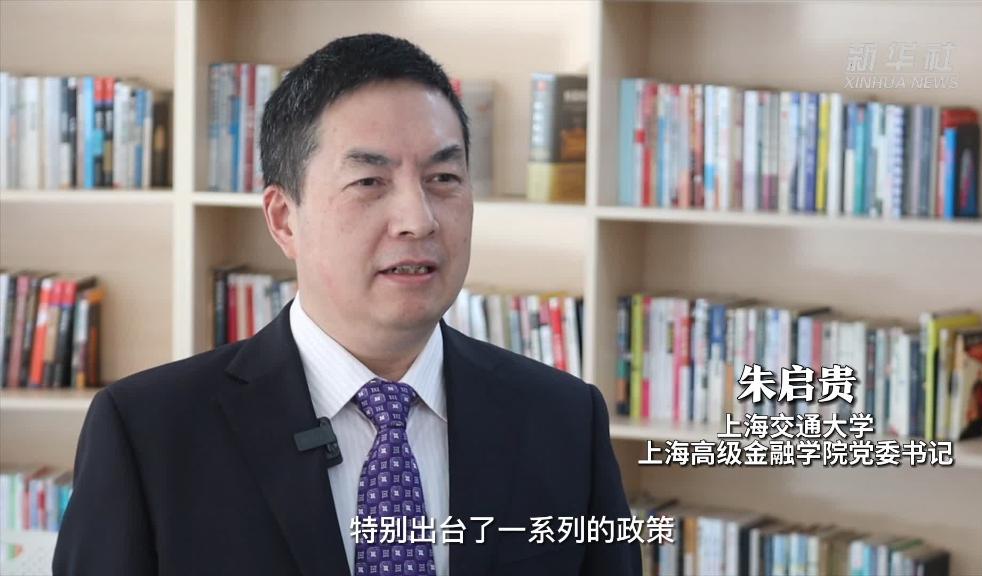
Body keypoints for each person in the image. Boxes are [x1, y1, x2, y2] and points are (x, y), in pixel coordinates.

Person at [53, 34, 640, 576]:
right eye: (369, 182)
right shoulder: (148, 434)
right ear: (284, 219)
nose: (418, 220)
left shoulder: (565, 421)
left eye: (443, 177)